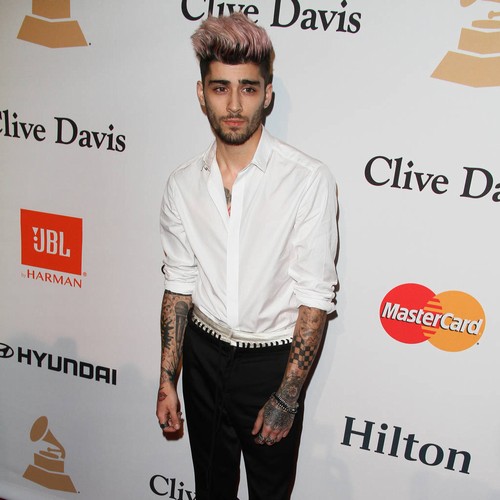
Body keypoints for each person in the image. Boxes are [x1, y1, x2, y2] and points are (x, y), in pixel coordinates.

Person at [156, 12, 338, 500]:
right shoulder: (181, 184)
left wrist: (288, 395)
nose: (235, 105)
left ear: (268, 94)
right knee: (210, 489)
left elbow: (315, 298)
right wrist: (168, 380)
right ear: (202, 94)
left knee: (269, 494)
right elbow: (179, 286)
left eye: (249, 89)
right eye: (220, 88)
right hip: (202, 356)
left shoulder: (307, 180)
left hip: (271, 365)